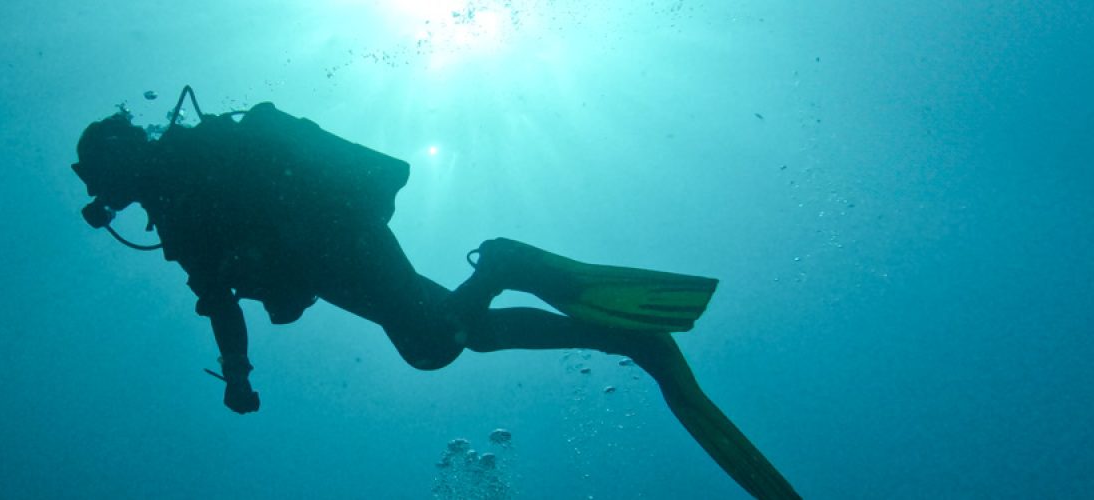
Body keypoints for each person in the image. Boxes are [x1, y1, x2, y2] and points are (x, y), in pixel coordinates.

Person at [69, 87, 800, 499]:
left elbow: (223, 301)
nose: (105, 199)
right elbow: (222, 299)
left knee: (429, 345)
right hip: (331, 246)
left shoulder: (188, 194)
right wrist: (236, 370)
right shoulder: (185, 201)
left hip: (332, 239)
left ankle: (507, 263)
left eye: (100, 182)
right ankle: (621, 336)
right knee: (460, 330)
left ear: (117, 165)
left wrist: (237, 375)